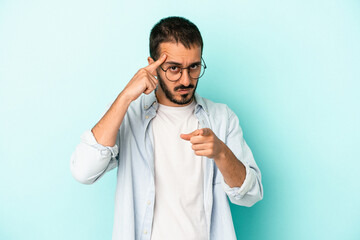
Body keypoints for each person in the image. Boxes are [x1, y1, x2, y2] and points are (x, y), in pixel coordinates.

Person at [70, 16, 263, 240]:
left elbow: (251, 195)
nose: (186, 80)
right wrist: (125, 97)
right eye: (174, 68)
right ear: (153, 65)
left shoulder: (222, 117)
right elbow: (83, 171)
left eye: (194, 67)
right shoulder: (128, 114)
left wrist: (221, 152)